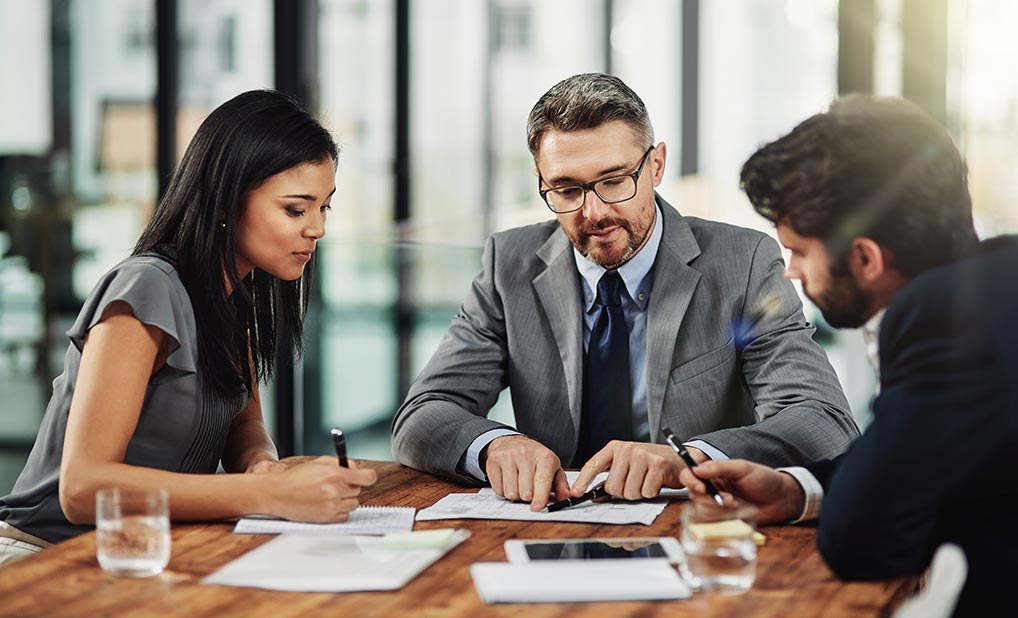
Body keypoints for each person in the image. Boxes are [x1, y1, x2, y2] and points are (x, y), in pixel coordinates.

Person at [391, 73, 858, 511]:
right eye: (567, 189)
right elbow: (422, 416)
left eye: (614, 181)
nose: (593, 213)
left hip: (695, 530)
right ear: (542, 183)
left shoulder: (743, 263)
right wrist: (494, 445)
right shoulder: (508, 264)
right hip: (551, 527)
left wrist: (689, 458)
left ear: (655, 166)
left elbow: (822, 420)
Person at [0, 90, 377, 565]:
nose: (317, 229)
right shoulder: (146, 288)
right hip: (43, 558)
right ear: (225, 203)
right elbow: (82, 488)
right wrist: (266, 495)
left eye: (325, 207)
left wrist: (261, 466)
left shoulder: (231, 298)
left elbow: (244, 423)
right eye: (296, 209)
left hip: (145, 553)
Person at [678, 95, 1016, 616]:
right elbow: (911, 461)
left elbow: (862, 538)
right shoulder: (996, 281)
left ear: (865, 258)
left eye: (800, 250)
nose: (791, 270)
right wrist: (795, 491)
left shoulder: (939, 320)